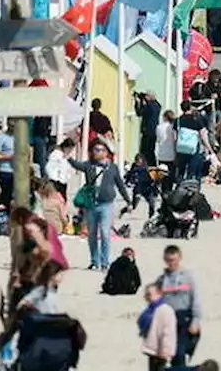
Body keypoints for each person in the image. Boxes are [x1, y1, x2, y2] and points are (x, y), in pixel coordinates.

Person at [69, 138, 135, 270]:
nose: (97, 152)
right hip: (91, 205)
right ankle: (95, 261)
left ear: (106, 152)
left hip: (107, 204)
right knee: (92, 234)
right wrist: (67, 155)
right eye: (95, 149)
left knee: (105, 233)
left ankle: (105, 262)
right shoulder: (88, 165)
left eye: (101, 150)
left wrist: (128, 201)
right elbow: (76, 164)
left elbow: (120, 185)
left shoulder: (113, 168)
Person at [156, 245, 203, 367]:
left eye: (174, 260)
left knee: (179, 353)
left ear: (180, 258)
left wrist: (195, 320)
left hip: (184, 317)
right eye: (169, 260)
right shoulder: (161, 280)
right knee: (170, 354)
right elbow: (155, 301)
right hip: (167, 319)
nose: (172, 263)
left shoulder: (188, 277)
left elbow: (196, 298)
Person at [140, 283, 178, 371]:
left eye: (149, 294)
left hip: (161, 351)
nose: (147, 297)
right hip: (153, 349)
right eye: (146, 294)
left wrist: (165, 350)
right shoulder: (150, 310)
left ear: (159, 294)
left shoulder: (165, 310)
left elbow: (168, 332)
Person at [0, 122, 16, 207]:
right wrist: (9, 157)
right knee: (6, 196)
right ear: (8, 125)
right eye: (13, 125)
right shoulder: (1, 137)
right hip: (5, 171)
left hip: (18, 171)